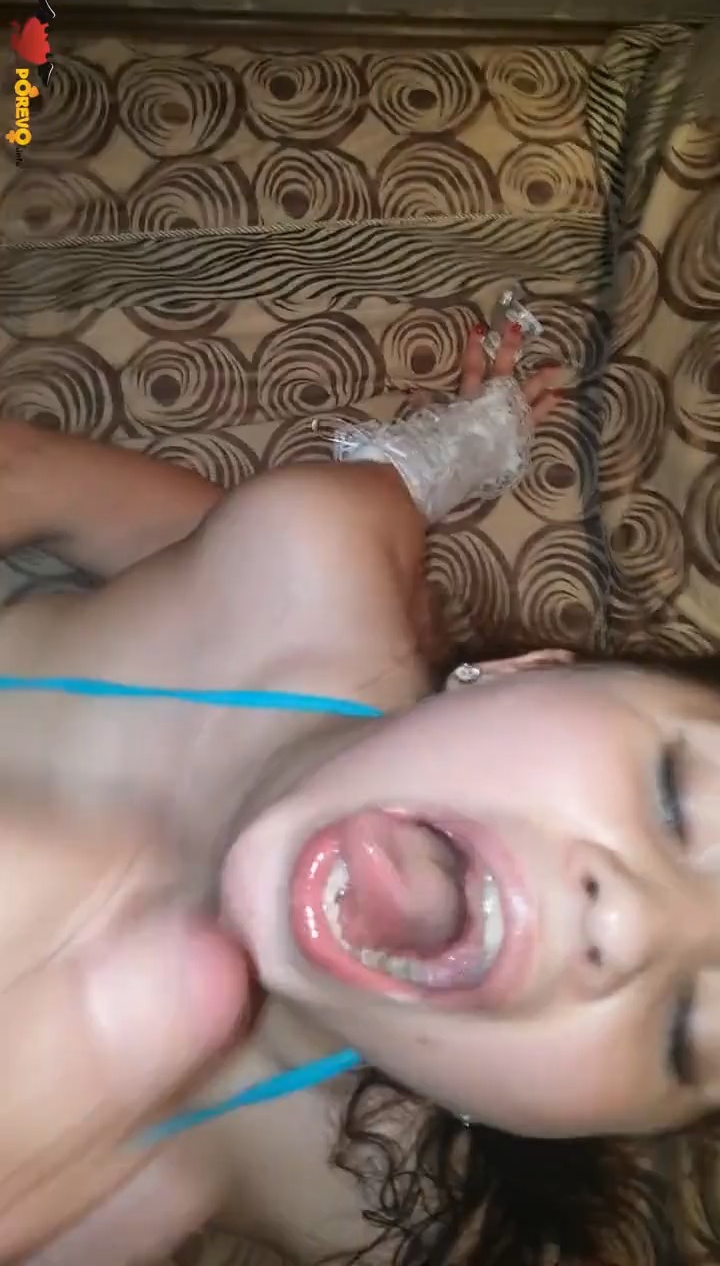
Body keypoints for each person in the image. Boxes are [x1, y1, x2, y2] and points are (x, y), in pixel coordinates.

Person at [1, 322, 718, 1266]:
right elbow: (24, 471)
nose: (624, 926)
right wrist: (476, 435)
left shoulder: (356, 1212)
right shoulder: (305, 546)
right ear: (522, 671)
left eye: (682, 1037)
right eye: (674, 798)